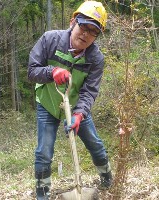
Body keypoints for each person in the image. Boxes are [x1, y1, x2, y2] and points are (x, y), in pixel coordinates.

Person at [28, 1, 112, 199]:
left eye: (93, 32)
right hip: (48, 102)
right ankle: (42, 192)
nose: (86, 34)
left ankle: (107, 178)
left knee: (95, 144)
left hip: (76, 107)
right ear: (73, 21)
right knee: (44, 151)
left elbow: (90, 91)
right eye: (83, 26)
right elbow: (32, 71)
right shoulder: (50, 40)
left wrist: (79, 114)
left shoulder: (96, 58)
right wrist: (52, 71)